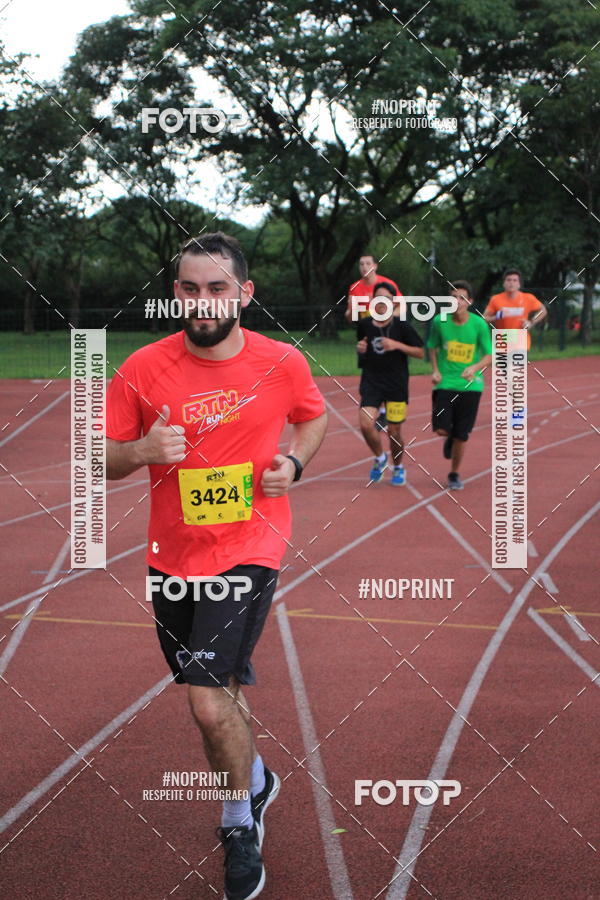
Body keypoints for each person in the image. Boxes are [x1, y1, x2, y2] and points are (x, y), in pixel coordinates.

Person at [105, 232, 327, 900]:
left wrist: (293, 462)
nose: (204, 301)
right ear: (176, 295)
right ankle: (256, 781)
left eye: (218, 288)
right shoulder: (142, 368)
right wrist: (142, 450)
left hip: (250, 547)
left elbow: (311, 420)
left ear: (244, 293)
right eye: (191, 289)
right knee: (215, 693)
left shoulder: (281, 361)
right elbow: (96, 460)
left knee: (208, 699)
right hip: (171, 555)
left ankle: (238, 822)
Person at [356, 281, 424, 485]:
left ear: (393, 302)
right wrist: (360, 348)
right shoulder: (365, 325)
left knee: (394, 432)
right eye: (378, 298)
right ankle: (379, 458)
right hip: (371, 382)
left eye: (386, 298)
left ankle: (398, 466)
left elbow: (421, 352)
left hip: (396, 384)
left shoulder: (402, 326)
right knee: (366, 424)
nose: (381, 302)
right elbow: (363, 348)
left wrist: (396, 345)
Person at [428, 280, 492, 490]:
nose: (457, 301)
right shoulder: (439, 321)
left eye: (461, 298)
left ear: (470, 302)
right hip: (445, 383)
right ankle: (450, 438)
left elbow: (490, 355)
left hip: (470, 385)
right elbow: (433, 346)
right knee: (441, 429)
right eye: (453, 297)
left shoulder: (479, 324)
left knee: (462, 435)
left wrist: (474, 368)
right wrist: (435, 369)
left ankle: (454, 474)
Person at [345, 253, 402, 430]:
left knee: (385, 370)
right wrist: (351, 313)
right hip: (365, 337)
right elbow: (350, 316)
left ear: (375, 266)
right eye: (361, 263)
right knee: (369, 372)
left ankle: (385, 412)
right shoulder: (355, 287)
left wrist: (387, 318)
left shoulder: (387, 285)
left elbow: (401, 305)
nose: (364, 266)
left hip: (385, 335)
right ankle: (376, 405)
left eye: (368, 263)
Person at [483, 268, 547, 348]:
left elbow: (543, 310)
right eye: (508, 280)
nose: (511, 283)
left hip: (520, 341)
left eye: (514, 280)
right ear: (504, 283)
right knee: (503, 361)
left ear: (519, 284)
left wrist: (531, 322)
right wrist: (497, 316)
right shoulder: (495, 299)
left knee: (516, 360)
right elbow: (484, 318)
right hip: (502, 340)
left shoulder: (528, 298)